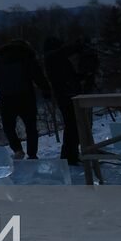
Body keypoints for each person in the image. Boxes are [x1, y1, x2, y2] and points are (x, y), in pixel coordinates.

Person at [0, 40, 48, 160]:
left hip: (7, 99)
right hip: (26, 98)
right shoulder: (27, 60)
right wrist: (46, 90)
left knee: (9, 127)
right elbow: (39, 77)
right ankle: (32, 154)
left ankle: (17, 150)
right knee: (31, 127)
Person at [41, 37, 81, 165]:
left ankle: (71, 155)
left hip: (65, 95)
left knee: (73, 126)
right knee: (72, 126)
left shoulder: (54, 59)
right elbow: (63, 53)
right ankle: (70, 156)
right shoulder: (52, 57)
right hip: (66, 96)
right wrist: (78, 45)